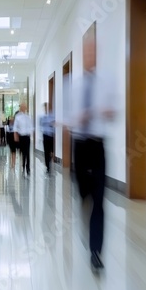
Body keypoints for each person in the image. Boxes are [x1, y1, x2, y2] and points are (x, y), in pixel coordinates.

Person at [67, 47, 116, 272]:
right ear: (82, 57)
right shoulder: (73, 85)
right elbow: (65, 116)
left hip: (97, 145)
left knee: (99, 198)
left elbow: (114, 110)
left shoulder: (106, 81)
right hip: (79, 145)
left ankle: (95, 251)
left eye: (93, 52)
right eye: (87, 53)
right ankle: (84, 203)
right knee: (84, 193)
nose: (90, 56)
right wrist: (76, 117)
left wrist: (108, 112)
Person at [14, 103, 33, 176]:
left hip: (27, 137)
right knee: (23, 152)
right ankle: (23, 166)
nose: (24, 108)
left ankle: (28, 168)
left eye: (25, 107)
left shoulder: (28, 117)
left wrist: (31, 133)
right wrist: (15, 136)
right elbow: (15, 127)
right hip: (21, 137)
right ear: (21, 108)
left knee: (27, 152)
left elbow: (31, 126)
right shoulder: (18, 117)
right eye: (22, 107)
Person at [40, 102, 55, 174]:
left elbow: (54, 124)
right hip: (45, 135)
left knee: (51, 151)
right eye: (45, 107)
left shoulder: (52, 116)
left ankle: (50, 162)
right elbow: (41, 126)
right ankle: (48, 166)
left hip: (51, 135)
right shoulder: (42, 117)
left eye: (47, 107)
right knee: (46, 151)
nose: (46, 108)